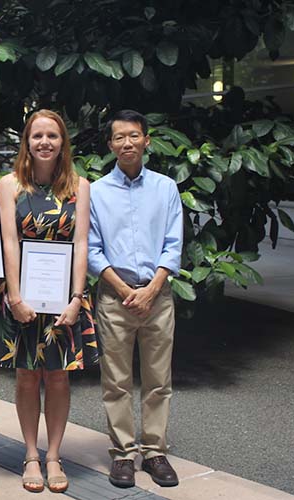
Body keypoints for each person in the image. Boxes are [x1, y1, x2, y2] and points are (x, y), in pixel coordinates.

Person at [0, 109, 100, 493]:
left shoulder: (80, 186)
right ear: (26, 141)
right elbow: (8, 241)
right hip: (22, 297)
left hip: (64, 298)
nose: (44, 142)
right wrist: (15, 295)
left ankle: (53, 455)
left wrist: (77, 298)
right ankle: (31, 455)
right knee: (25, 377)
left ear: (62, 142)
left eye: (52, 136)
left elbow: (81, 242)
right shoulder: (9, 185)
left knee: (57, 378)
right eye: (36, 135)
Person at [88, 109, 183, 489]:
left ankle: (155, 451)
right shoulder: (95, 192)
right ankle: (124, 454)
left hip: (157, 296)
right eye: (119, 138)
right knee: (116, 380)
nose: (127, 143)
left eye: (134, 136)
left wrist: (152, 289)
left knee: (159, 379)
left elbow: (173, 244)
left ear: (146, 140)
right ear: (110, 145)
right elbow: (92, 249)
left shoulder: (166, 188)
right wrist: (128, 291)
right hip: (115, 296)